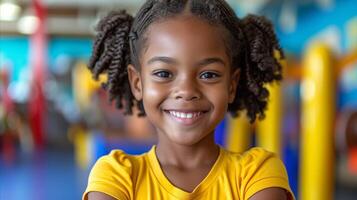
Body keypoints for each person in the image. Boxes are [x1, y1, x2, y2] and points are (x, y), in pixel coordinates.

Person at [83, 0, 295, 199]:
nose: (186, 90)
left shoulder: (258, 174)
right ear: (138, 83)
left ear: (231, 85)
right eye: (164, 73)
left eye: (208, 75)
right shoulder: (115, 176)